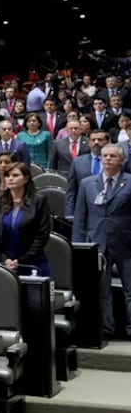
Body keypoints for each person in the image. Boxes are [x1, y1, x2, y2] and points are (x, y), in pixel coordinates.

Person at [73, 143, 131, 338]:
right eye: (105, 156)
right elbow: (80, 218)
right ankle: (107, 329)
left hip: (126, 244)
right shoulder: (88, 184)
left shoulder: (130, 182)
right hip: (97, 245)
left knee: (130, 291)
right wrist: (78, 245)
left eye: (112, 156)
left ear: (121, 160)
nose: (107, 159)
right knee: (101, 291)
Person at [0, 162, 52, 276]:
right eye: (7, 176)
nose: (10, 179)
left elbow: (42, 235)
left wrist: (21, 261)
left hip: (32, 263)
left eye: (15, 175)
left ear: (26, 178)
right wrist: (4, 259)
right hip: (3, 264)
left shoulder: (38, 201)